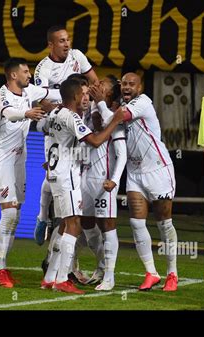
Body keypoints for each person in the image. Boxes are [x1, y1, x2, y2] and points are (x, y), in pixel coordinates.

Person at [94, 72, 178, 292]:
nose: (127, 87)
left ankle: (172, 273)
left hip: (158, 170)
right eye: (124, 84)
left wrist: (103, 105)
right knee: (136, 223)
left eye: (132, 84)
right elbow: (107, 120)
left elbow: (118, 117)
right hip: (134, 173)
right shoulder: (117, 105)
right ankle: (151, 273)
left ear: (139, 88)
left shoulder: (143, 102)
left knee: (163, 223)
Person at [40, 78, 124, 294]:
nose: (87, 96)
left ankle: (49, 277)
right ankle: (61, 279)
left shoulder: (56, 113)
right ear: (75, 96)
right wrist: (115, 122)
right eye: (84, 93)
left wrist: (51, 158)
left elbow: (45, 132)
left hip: (56, 173)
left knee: (65, 225)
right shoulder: (71, 116)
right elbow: (95, 141)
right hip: (67, 175)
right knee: (74, 225)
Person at [0, 57, 59, 288]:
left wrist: (78, 87)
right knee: (8, 214)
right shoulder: (2, 95)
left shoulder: (30, 90)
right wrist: (27, 113)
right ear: (14, 75)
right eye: (26, 72)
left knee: (15, 215)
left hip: (19, 158)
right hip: (1, 160)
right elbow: (9, 114)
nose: (30, 75)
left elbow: (53, 93)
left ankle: (2, 266)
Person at [33, 25, 99, 246]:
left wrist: (89, 105)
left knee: (71, 166)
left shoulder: (77, 56)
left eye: (68, 39)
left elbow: (94, 81)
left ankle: (67, 260)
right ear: (51, 44)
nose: (67, 44)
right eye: (61, 41)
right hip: (54, 118)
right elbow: (40, 99)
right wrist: (62, 111)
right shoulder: (43, 68)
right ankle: (43, 217)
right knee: (53, 170)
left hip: (76, 114)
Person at [81, 78, 126, 290]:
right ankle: (100, 266)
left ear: (109, 95)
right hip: (85, 178)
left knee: (108, 227)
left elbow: (122, 154)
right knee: (87, 225)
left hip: (103, 180)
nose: (97, 85)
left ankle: (110, 276)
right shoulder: (90, 112)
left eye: (103, 85)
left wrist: (114, 181)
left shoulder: (115, 119)